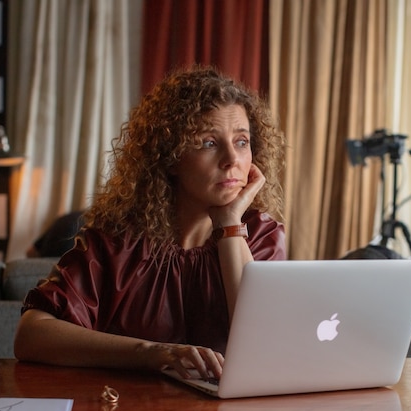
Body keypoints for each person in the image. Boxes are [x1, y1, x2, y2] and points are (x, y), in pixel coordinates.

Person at [14, 65, 287, 380]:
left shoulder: (263, 236)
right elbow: (31, 335)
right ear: (170, 158)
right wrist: (152, 353)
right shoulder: (118, 242)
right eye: (209, 143)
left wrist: (229, 226)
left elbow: (265, 347)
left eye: (242, 142)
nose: (232, 159)